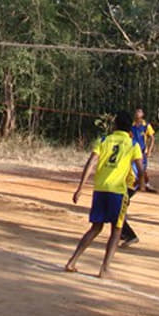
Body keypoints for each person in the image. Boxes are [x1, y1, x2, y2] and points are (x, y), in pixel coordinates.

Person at [64, 110, 144, 277]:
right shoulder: (133, 144)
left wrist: (80, 187)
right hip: (118, 191)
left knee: (95, 227)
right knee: (116, 230)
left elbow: (91, 162)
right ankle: (105, 268)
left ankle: (72, 261)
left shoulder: (103, 140)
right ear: (129, 127)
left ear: (115, 125)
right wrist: (141, 183)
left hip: (100, 189)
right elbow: (140, 168)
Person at [131, 107, 157, 192]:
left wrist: (149, 150)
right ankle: (137, 184)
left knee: (142, 169)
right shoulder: (132, 125)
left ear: (142, 114)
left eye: (139, 112)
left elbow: (152, 138)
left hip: (142, 151)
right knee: (133, 169)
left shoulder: (146, 125)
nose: (137, 113)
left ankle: (146, 184)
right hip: (133, 151)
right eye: (136, 112)